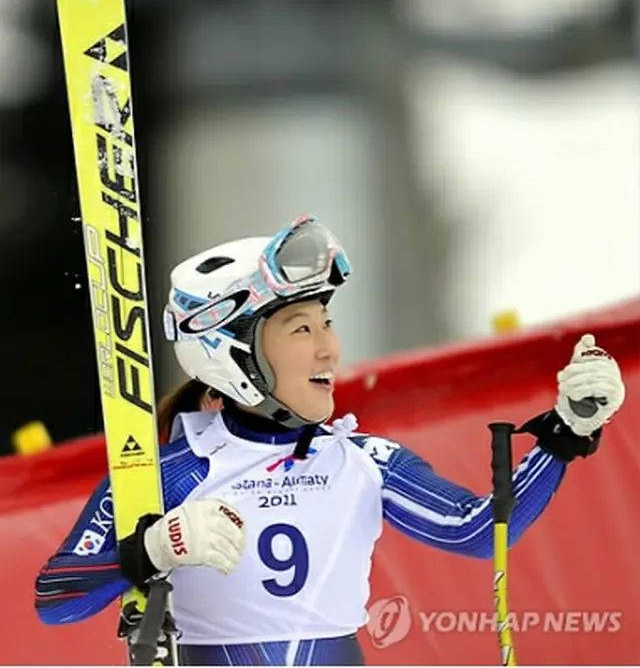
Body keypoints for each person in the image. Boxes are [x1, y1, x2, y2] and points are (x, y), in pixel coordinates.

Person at [35, 214, 626, 666]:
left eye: (327, 324)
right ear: (233, 351)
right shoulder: (170, 473)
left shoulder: (364, 461)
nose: (329, 349)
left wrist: (566, 431)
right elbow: (56, 599)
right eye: (301, 329)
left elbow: (475, 532)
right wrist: (150, 551)